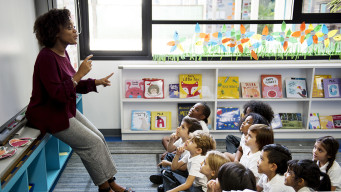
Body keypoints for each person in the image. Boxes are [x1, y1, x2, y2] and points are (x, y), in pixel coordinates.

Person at [25, 9, 127, 192]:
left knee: (100, 138)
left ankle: (111, 182)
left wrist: (96, 82)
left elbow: (72, 84)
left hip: (63, 108)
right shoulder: (46, 57)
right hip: (49, 113)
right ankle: (105, 188)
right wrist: (80, 73)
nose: (75, 31)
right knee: (91, 144)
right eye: (70, 27)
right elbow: (58, 93)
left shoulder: (63, 54)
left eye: (74, 27)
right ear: (55, 32)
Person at [150, 116, 203, 184]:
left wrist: (167, 163)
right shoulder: (182, 139)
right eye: (180, 125)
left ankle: (165, 176)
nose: (178, 128)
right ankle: (164, 175)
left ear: (190, 135)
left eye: (183, 127)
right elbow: (169, 150)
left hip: (186, 172)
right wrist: (172, 140)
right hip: (179, 163)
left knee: (170, 171)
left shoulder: (190, 147)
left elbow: (183, 168)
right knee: (169, 155)